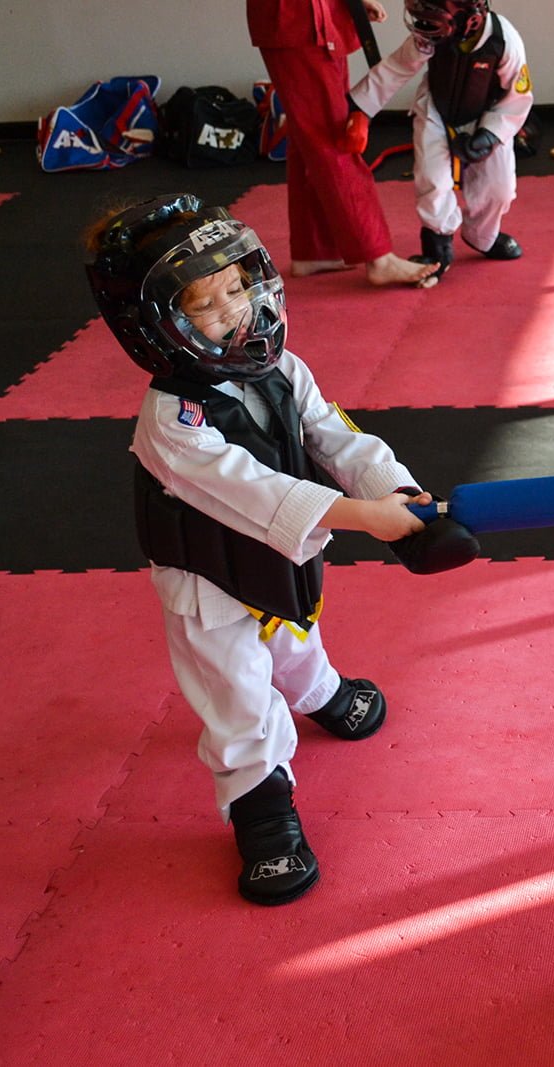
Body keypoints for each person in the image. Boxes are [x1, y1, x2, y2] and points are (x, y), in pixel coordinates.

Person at [83, 193, 478, 906]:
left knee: (297, 629)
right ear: (157, 328)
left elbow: (338, 438)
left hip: (278, 556)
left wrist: (399, 493)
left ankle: (320, 693)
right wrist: (364, 518)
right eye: (206, 305)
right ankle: (261, 809)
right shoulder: (172, 421)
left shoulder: (281, 368)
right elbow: (256, 492)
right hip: (207, 583)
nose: (234, 310)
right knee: (237, 693)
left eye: (237, 287)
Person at [246, 0, 435, 286]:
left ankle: (314, 251)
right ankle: (378, 258)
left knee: (310, 136)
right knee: (332, 137)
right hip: (301, 17)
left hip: (311, 16)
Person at [345, 0, 534, 284]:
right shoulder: (430, 35)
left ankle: (483, 235)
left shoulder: (504, 39)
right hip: (436, 109)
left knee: (500, 188)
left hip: (488, 114)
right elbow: (396, 68)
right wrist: (359, 110)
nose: (425, 21)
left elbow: (518, 95)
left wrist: (489, 135)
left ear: (470, 16)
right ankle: (438, 247)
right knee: (432, 180)